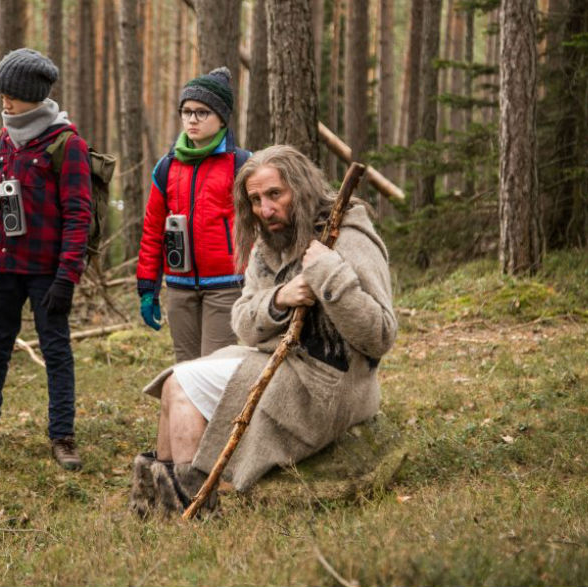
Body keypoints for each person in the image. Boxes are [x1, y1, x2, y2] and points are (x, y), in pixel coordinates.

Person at [129, 145, 397, 517]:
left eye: (275, 194)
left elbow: (380, 336)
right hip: (279, 362)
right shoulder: (269, 242)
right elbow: (244, 324)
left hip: (331, 385)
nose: (264, 209)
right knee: (176, 379)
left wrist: (329, 274)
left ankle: (189, 515)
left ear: (300, 188)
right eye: (255, 199)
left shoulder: (347, 236)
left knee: (183, 386)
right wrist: (279, 299)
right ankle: (158, 505)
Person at [0, 48, 92, 471]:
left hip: (46, 273)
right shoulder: (3, 141)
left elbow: (78, 214)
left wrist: (66, 276)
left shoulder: (66, 144)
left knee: (56, 350)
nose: (5, 101)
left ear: (34, 94)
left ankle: (62, 435)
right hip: (2, 266)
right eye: (2, 93)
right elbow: (2, 203)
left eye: (12, 94)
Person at [135, 67, 249, 363]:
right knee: (185, 369)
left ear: (222, 117)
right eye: (186, 112)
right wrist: (148, 287)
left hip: (226, 284)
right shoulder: (167, 166)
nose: (192, 119)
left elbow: (262, 225)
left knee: (216, 368)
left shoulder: (242, 164)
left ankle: (225, 413)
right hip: (179, 285)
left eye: (202, 112)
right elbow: (152, 230)